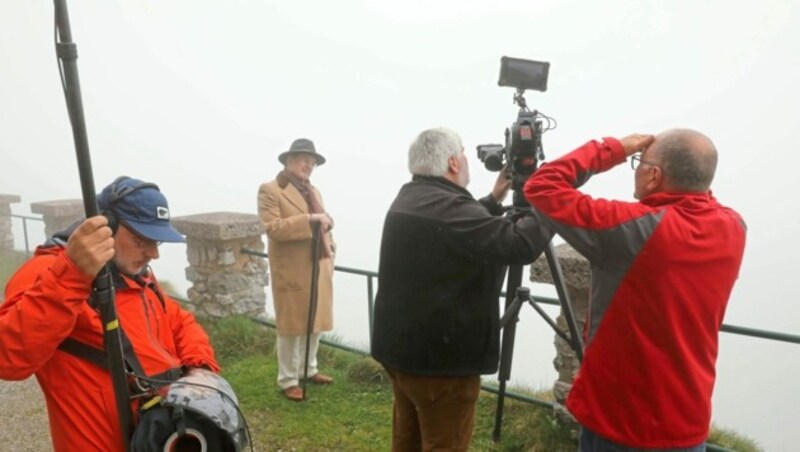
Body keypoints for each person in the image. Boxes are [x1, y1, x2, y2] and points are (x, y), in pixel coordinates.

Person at [523, 129, 746, 450]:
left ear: (654, 175)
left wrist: (613, 149)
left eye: (639, 162)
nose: (636, 166)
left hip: (619, 422)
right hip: (687, 421)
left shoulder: (631, 230)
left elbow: (542, 186)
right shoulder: (734, 227)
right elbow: (697, 194)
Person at [0, 176, 220, 452]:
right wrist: (74, 273)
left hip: (160, 437)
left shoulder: (136, 274)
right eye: (142, 239)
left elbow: (179, 320)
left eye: (157, 242)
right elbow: (7, 356)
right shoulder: (50, 271)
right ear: (106, 225)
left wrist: (199, 368)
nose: (153, 253)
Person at [371, 127, 553, 451]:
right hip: (442, 365)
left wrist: (494, 199)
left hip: (401, 353)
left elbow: (457, 226)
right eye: (465, 153)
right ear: (453, 162)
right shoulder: (449, 210)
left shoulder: (411, 196)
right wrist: (555, 200)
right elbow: (522, 244)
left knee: (407, 441)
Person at [257, 138, 335, 402]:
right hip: (292, 269)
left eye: (312, 162)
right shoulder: (270, 190)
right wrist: (310, 220)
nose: (309, 165)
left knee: (315, 323)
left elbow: (325, 224)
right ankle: (289, 379)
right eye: (304, 159)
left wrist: (331, 249)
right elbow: (273, 228)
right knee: (292, 326)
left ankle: (309, 369)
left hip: (318, 265)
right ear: (288, 160)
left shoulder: (314, 191)